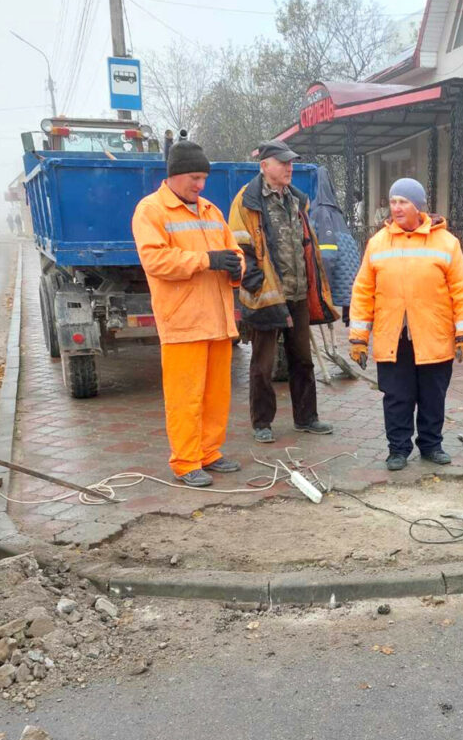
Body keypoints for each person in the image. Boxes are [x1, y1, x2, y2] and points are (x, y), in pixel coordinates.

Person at [132, 139, 244, 487]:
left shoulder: (210, 210)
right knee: (185, 397)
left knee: (215, 394)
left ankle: (209, 452)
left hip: (218, 319)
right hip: (183, 323)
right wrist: (207, 261)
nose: (200, 185)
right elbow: (155, 260)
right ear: (175, 175)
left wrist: (237, 266)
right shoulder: (151, 211)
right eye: (195, 177)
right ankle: (185, 461)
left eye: (204, 178)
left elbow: (233, 250)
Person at [348, 177, 463, 471]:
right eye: (393, 201)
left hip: (433, 334)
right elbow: (363, 291)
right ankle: (398, 449)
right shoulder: (377, 243)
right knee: (396, 398)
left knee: (432, 395)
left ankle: (431, 445)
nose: (396, 207)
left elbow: (462, 289)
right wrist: (358, 337)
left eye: (403, 202)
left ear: (418, 206)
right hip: (393, 337)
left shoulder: (447, 243)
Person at [228, 139, 338, 443]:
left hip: (298, 295)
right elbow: (239, 245)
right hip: (265, 296)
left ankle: (307, 418)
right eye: (283, 162)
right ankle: (262, 423)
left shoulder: (295, 200)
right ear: (265, 166)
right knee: (262, 365)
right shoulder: (246, 201)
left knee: (302, 359)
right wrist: (254, 282)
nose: (290, 168)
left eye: (291, 162)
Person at [308, 166, 361, 318]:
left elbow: (327, 255)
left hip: (337, 284)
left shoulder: (322, 213)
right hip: (348, 284)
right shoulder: (335, 212)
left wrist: (323, 291)